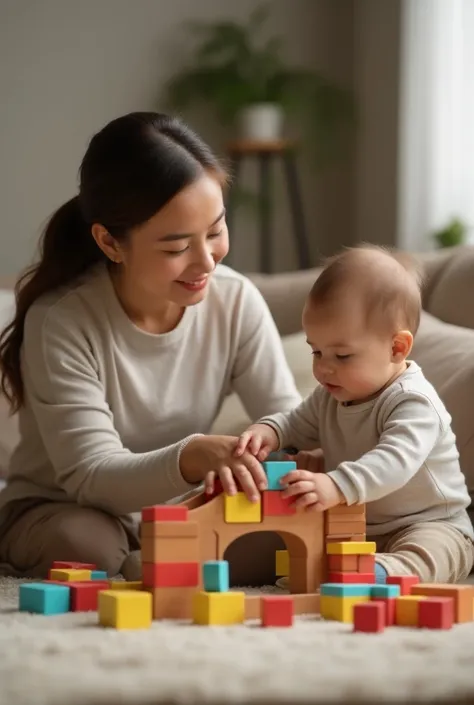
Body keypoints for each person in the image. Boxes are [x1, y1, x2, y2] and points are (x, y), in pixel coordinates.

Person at [0, 112, 302, 583]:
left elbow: (291, 422)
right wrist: (193, 456)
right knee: (87, 550)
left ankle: (156, 564)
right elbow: (90, 475)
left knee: (288, 538)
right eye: (176, 246)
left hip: (180, 507)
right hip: (62, 506)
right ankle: (154, 564)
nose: (207, 261)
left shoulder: (236, 299)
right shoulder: (62, 320)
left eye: (216, 231)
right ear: (110, 242)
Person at [229, 245, 474, 584]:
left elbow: (394, 462)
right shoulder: (330, 396)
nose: (324, 368)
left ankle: (383, 573)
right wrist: (269, 430)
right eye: (316, 351)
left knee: (431, 553)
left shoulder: (413, 402)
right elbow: (295, 422)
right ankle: (332, 570)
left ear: (396, 348)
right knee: (301, 537)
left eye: (342, 356)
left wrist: (335, 484)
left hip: (428, 522)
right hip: (355, 523)